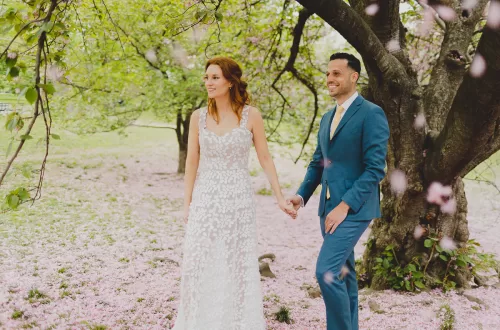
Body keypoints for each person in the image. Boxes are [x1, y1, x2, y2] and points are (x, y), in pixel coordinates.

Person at [173, 56, 296, 329]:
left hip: (238, 200)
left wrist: (279, 197)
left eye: (215, 77)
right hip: (206, 199)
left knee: (235, 263)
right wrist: (187, 205)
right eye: (206, 77)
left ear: (230, 82)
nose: (209, 82)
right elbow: (192, 161)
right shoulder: (197, 118)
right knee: (200, 261)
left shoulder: (251, 116)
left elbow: (265, 157)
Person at [287, 52, 389, 330]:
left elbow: (375, 169)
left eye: (336, 73)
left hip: (352, 209)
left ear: (353, 77)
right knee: (345, 275)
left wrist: (344, 206)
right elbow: (318, 164)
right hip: (327, 209)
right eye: (328, 73)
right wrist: (300, 196)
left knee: (327, 272)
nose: (330, 78)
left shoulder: (371, 113)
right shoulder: (326, 118)